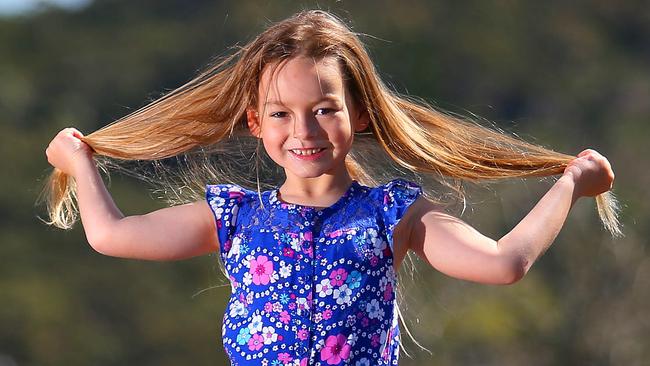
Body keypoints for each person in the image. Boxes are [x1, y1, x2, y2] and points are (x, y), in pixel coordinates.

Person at [42, 10, 617, 366]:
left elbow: (503, 263)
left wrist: (571, 182)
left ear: (359, 113)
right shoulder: (235, 216)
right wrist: (77, 158)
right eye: (281, 114)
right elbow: (110, 234)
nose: (304, 132)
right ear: (254, 123)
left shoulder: (393, 212)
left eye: (324, 109)